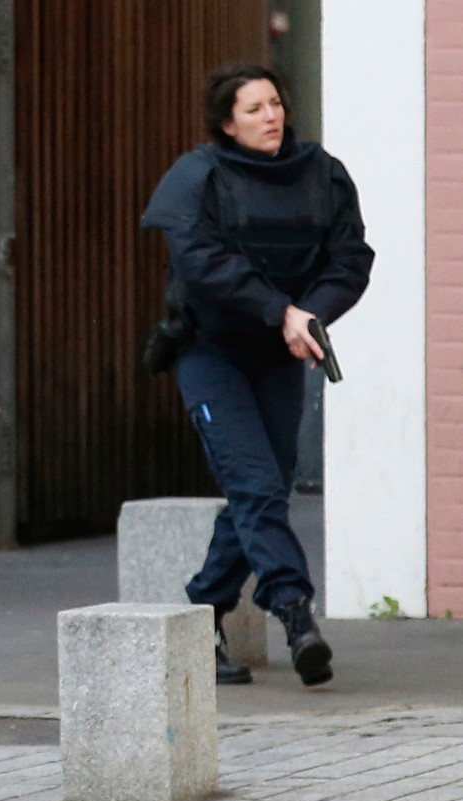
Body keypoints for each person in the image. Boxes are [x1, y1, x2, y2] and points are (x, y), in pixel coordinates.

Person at [142, 65, 373, 687]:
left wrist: (312, 314)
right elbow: (201, 264)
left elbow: (351, 258)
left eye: (276, 103)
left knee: (263, 489)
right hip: (210, 353)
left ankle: (201, 613)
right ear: (226, 123)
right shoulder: (198, 178)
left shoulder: (322, 174)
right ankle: (295, 612)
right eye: (254, 109)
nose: (271, 116)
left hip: (279, 355)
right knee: (255, 485)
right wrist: (283, 310)